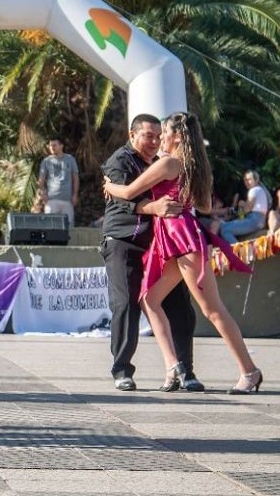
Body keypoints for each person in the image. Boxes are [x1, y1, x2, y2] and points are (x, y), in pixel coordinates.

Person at [103, 112, 262, 395]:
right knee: (149, 299)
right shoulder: (195, 165)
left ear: (176, 136)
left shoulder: (168, 163)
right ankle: (173, 367)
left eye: (163, 131)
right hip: (180, 233)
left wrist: (108, 185)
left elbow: (128, 192)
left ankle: (249, 371)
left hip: (179, 237)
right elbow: (203, 207)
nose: (160, 137)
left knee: (212, 309)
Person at [100, 113, 205, 393]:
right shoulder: (118, 162)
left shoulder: (163, 162)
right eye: (148, 135)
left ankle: (185, 370)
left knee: (181, 306)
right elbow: (122, 202)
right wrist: (153, 207)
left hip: (159, 245)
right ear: (132, 135)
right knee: (126, 304)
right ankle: (122, 369)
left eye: (158, 135)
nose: (154, 141)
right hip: (123, 242)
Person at [219, 171, 270, 243]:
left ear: (256, 180)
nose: (247, 182)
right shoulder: (261, 190)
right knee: (225, 226)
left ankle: (238, 252)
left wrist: (242, 204)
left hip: (254, 220)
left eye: (249, 179)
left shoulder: (254, 190)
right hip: (258, 220)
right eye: (245, 180)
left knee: (225, 229)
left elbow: (247, 209)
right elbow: (242, 217)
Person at [38, 137, 79, 226]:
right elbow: (41, 179)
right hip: (52, 200)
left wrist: (75, 194)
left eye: (54, 145)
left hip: (67, 200)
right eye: (50, 145)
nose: (52, 147)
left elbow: (75, 178)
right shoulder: (46, 161)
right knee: (50, 227)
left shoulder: (70, 159)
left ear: (61, 146)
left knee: (68, 227)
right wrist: (43, 193)